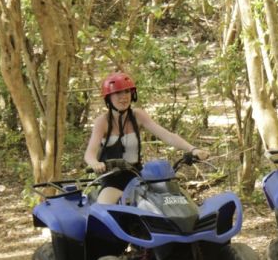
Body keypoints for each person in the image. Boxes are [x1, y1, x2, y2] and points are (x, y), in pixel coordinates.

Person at [84, 72, 209, 204]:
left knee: (165, 206)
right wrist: (95, 164)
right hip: (112, 180)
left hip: (138, 177)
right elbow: (90, 153)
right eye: (118, 93)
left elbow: (168, 136)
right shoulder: (102, 122)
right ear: (108, 98)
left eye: (127, 92)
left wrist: (193, 149)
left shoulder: (138, 115)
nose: (124, 97)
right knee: (104, 212)